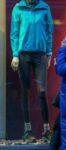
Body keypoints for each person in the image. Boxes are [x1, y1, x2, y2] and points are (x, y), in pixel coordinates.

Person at [10, 0, 53, 142]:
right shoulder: (18, 8)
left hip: (40, 55)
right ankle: (27, 131)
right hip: (23, 55)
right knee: (25, 92)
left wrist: (49, 53)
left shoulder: (44, 7)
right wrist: (15, 54)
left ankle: (47, 131)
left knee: (42, 92)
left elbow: (49, 31)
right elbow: (14, 33)